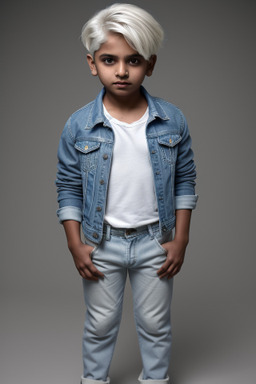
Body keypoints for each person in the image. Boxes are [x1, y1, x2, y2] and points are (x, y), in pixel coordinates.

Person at [56, 3, 198, 384]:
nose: (121, 71)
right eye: (109, 59)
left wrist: (180, 238)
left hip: (155, 239)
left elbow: (185, 179)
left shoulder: (172, 119)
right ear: (92, 63)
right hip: (102, 242)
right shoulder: (80, 125)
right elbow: (68, 185)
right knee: (100, 325)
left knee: (155, 324)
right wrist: (75, 244)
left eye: (133, 60)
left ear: (149, 64)